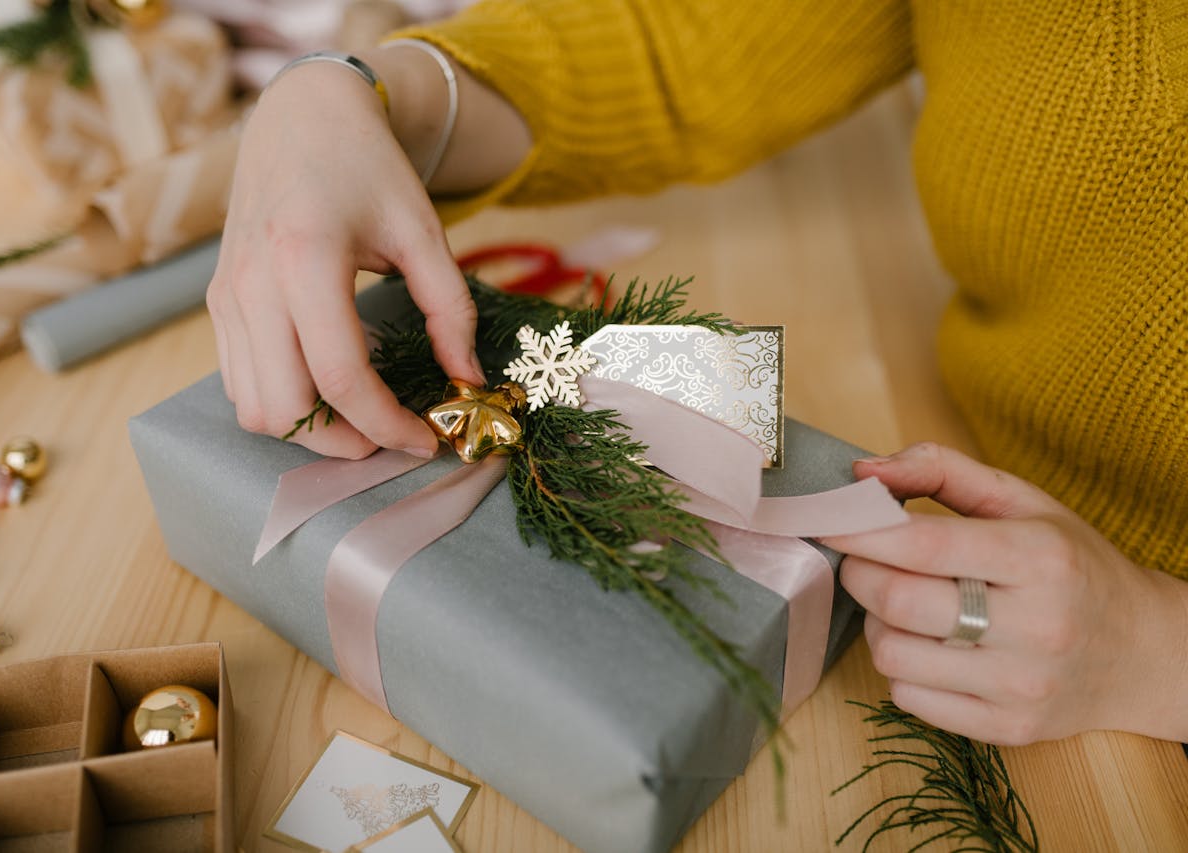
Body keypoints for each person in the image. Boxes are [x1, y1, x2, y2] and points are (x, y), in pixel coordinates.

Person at [207, 0, 1188, 747]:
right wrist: (350, 94)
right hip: (957, 470)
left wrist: (1155, 648)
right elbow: (682, 51)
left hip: (1124, 706)